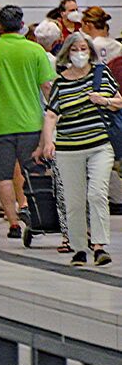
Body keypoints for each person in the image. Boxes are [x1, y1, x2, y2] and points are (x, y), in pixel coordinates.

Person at [36, 33, 121, 266]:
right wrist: (48, 141)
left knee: (97, 194)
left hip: (100, 145)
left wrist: (102, 100)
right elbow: (52, 114)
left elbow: (119, 101)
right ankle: (79, 248)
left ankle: (100, 246)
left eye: (84, 48)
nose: (80, 53)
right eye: (75, 49)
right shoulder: (61, 82)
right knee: (73, 201)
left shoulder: (101, 74)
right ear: (67, 53)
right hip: (69, 148)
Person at [0, 5, 56, 237]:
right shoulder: (35, 51)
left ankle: (13, 223)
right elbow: (47, 86)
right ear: (22, 24)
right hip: (31, 123)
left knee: (3, 176)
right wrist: (54, 115)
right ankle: (33, 214)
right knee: (33, 172)